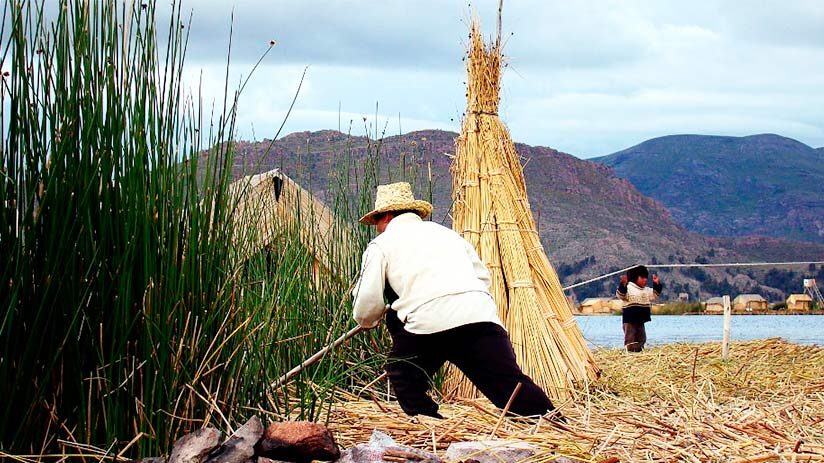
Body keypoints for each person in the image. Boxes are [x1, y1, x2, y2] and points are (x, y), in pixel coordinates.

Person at [351, 182, 557, 419]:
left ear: (386, 216)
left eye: (376, 221)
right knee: (508, 383)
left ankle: (430, 424)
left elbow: (368, 299)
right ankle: (551, 423)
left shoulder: (381, 244)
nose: (377, 228)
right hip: (479, 316)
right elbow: (481, 277)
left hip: (428, 323)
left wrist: (368, 320)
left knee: (402, 373)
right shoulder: (449, 235)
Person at [616, 265, 663, 352]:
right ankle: (630, 353)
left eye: (646, 278)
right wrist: (623, 285)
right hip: (630, 320)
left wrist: (657, 284)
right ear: (634, 278)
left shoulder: (646, 290)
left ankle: (639, 352)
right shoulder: (629, 289)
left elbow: (655, 294)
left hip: (641, 320)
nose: (645, 280)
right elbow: (620, 295)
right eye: (642, 277)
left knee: (642, 338)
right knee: (630, 338)